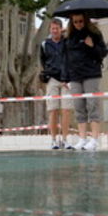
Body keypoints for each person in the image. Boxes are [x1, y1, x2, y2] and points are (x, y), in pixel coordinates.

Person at [63, 12, 108, 151]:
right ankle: (82, 139)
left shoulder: (94, 34)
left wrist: (92, 46)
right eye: (75, 22)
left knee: (92, 105)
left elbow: (103, 52)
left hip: (91, 74)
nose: (78, 24)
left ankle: (94, 139)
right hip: (75, 76)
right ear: (71, 22)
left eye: (81, 21)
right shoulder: (69, 37)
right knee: (78, 107)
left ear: (86, 20)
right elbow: (66, 59)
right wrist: (65, 78)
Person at [40, 19, 73, 150]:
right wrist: (48, 73)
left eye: (57, 28)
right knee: (52, 111)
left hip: (66, 80)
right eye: (52, 28)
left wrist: (68, 77)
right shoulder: (44, 44)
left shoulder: (67, 42)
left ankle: (65, 140)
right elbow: (43, 61)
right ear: (50, 30)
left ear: (61, 29)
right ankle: (53, 140)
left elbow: (70, 59)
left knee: (66, 111)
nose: (54, 31)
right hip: (52, 79)